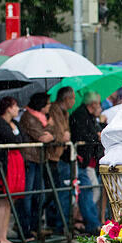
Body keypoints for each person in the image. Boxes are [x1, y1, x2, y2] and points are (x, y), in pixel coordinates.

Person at [0, 97, 26, 243]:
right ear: (8, 108)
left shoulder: (14, 123)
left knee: (10, 200)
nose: (17, 109)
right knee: (2, 200)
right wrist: (16, 138)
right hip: (4, 161)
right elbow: (12, 138)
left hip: (15, 161)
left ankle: (4, 235)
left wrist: (17, 137)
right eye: (15, 106)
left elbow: (22, 138)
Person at [17, 92, 54, 242]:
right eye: (48, 103)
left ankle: (35, 227)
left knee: (40, 195)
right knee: (27, 195)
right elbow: (42, 137)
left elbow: (49, 136)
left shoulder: (42, 118)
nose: (49, 106)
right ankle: (25, 229)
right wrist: (51, 129)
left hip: (39, 159)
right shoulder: (29, 117)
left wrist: (50, 132)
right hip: (30, 159)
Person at [69, 92, 104, 235]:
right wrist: (96, 136)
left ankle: (84, 218)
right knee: (88, 190)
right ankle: (91, 222)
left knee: (91, 189)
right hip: (82, 158)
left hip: (88, 159)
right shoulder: (80, 115)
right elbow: (82, 134)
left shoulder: (89, 116)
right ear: (93, 104)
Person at [46, 88, 75, 235]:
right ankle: (56, 224)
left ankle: (58, 224)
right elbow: (57, 130)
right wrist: (62, 136)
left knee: (58, 191)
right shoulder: (54, 110)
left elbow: (65, 130)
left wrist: (66, 134)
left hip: (60, 154)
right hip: (53, 154)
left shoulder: (65, 112)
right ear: (66, 99)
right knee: (54, 191)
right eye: (73, 98)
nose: (74, 101)